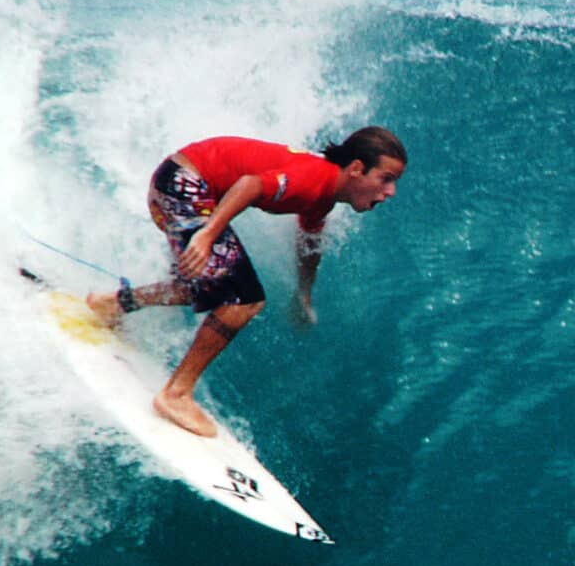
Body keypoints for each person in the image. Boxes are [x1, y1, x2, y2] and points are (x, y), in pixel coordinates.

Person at [89, 127, 407, 436]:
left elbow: (309, 243)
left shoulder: (324, 195)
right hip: (183, 185)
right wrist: (208, 234)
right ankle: (175, 395)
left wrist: (304, 294)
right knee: (243, 299)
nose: (391, 192)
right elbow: (251, 184)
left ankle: (111, 304)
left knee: (208, 282)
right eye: (386, 179)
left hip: (177, 183)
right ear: (356, 169)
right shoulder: (315, 179)